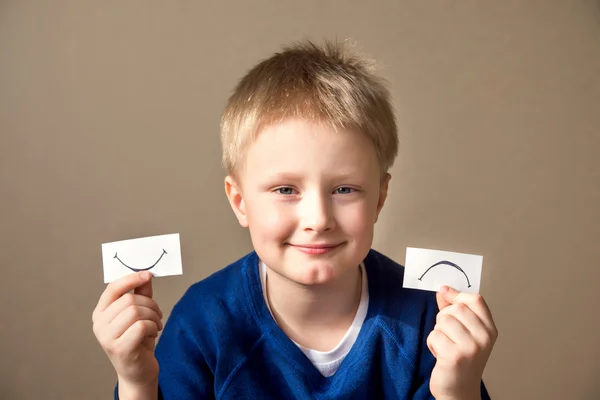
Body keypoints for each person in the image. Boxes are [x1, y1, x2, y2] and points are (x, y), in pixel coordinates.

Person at [92, 39, 498, 399]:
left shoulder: (427, 321)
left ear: (380, 198)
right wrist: (136, 382)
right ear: (240, 202)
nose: (318, 219)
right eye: (286, 190)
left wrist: (456, 390)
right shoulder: (203, 322)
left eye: (344, 189)